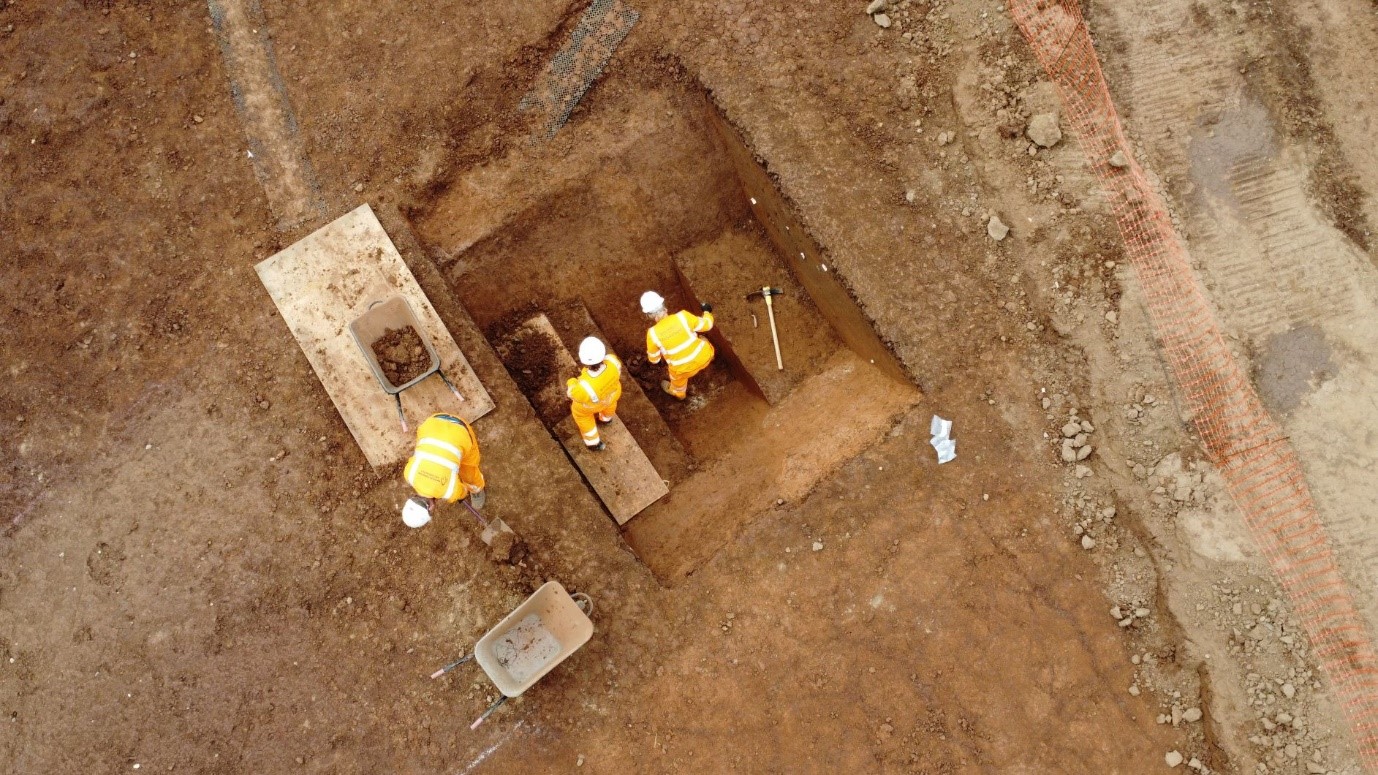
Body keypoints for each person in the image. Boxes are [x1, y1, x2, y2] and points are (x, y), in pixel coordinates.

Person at [400, 413, 485, 529]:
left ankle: (477, 490)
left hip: (459, 429)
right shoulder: (409, 474)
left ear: (430, 508)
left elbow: (462, 491)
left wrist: (456, 494)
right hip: (432, 422)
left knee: (469, 474)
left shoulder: (450, 492)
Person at [641, 290, 714, 400]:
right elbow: (707, 325)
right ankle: (711, 357)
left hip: (683, 371)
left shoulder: (652, 334)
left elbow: (654, 360)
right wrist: (707, 312)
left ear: (649, 315)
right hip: (705, 357)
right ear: (664, 306)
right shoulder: (683, 316)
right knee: (703, 339)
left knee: (677, 381)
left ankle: (679, 395)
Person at [566, 336, 622, 451]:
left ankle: (594, 443)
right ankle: (606, 420)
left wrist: (571, 382)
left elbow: (571, 394)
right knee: (610, 406)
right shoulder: (613, 360)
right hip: (612, 395)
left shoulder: (583, 388)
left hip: (592, 406)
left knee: (582, 416)